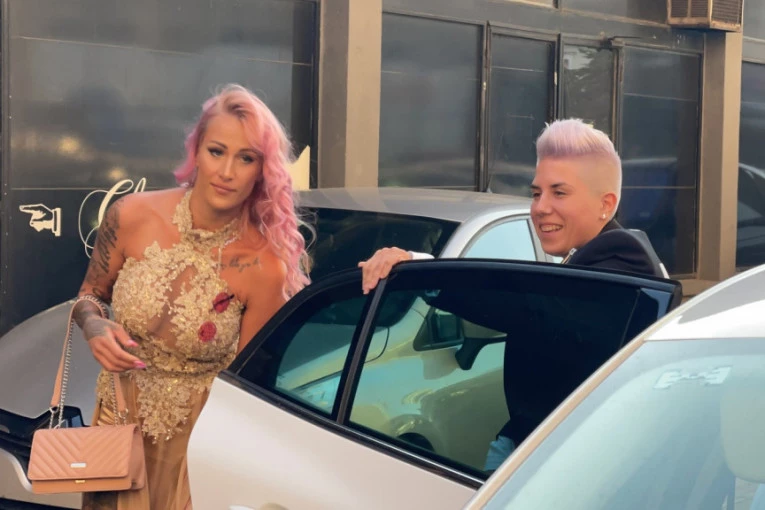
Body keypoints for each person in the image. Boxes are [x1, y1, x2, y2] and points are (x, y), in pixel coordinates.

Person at [357, 118, 667, 471]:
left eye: (559, 193)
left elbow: (529, 305)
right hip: (534, 447)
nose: (540, 207)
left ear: (606, 204)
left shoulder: (622, 259)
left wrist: (424, 269)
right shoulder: (589, 257)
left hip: (569, 465)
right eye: (536, 193)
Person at [74, 84, 310, 510]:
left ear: (262, 171)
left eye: (246, 158)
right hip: (116, 425)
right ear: (196, 151)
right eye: (217, 151)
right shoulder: (130, 215)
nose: (227, 171)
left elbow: (249, 393)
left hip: (197, 450)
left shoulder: (264, 267)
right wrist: (94, 325)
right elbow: (88, 295)